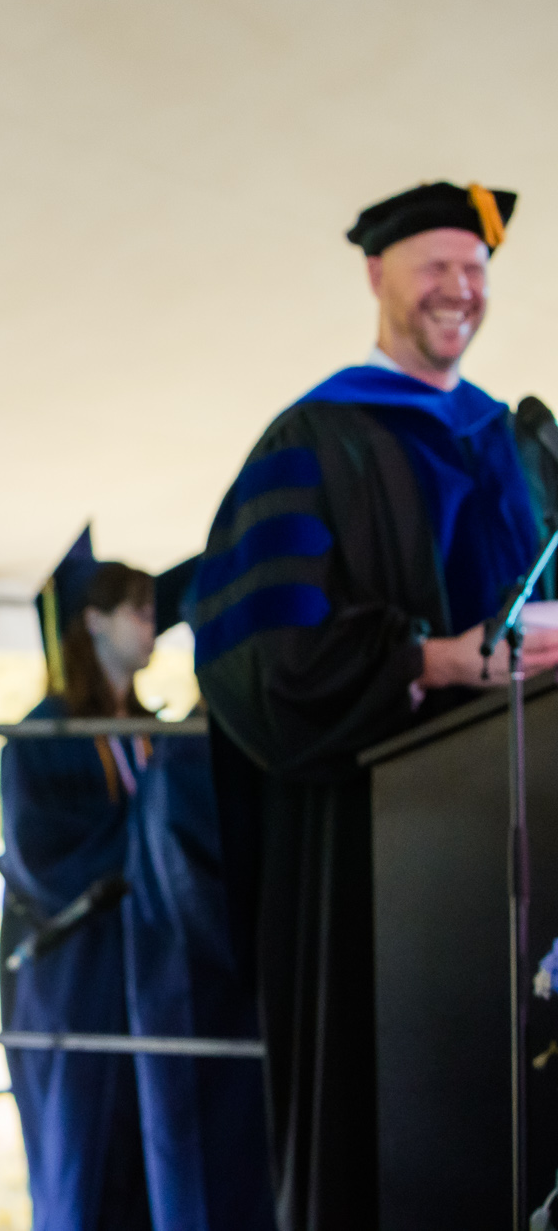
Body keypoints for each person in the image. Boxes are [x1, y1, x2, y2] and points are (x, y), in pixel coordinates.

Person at [191, 180, 558, 1230]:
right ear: (375, 276)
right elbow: (259, 650)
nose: (459, 290)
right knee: (392, 1134)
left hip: (528, 835)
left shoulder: (512, 441)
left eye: (475, 272)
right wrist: (432, 660)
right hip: (370, 852)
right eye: (435, 268)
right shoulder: (312, 441)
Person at [0, 530, 271, 1231]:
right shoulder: (44, 734)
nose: (154, 626)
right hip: (81, 982)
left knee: (167, 1151)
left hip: (153, 971)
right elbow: (45, 861)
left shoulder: (156, 730)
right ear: (94, 620)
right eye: (139, 610)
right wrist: (149, 833)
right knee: (90, 1154)